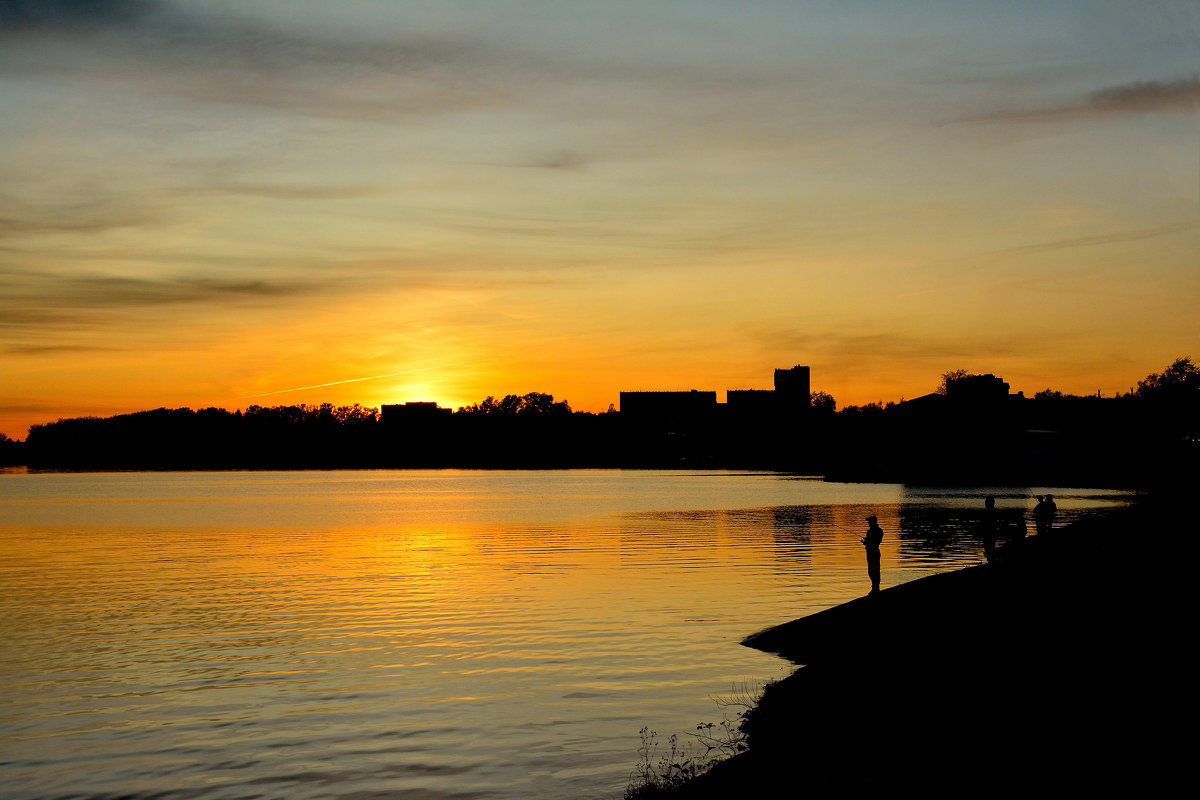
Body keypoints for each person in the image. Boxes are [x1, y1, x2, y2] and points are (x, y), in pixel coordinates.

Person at [862, 514, 884, 594]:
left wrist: (866, 542)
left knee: (873, 570)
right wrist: (866, 542)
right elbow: (876, 541)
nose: (868, 523)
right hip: (874, 551)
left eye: (869, 522)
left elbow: (875, 542)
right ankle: (875, 587)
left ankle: (875, 588)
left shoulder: (872, 531)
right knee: (874, 570)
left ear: (872, 522)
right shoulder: (879, 530)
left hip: (872, 552)